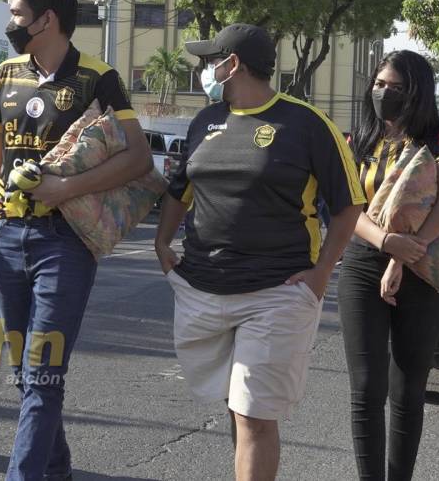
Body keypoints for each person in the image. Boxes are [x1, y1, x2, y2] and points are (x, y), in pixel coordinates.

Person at [0, 0, 153, 480]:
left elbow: (139, 158)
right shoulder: (6, 74)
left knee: (43, 375)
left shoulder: (97, 77)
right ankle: (57, 470)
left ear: (48, 20)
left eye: (17, 14)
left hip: (65, 242)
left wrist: (66, 189)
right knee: (25, 372)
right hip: (7, 236)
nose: (11, 24)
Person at [154, 24, 365, 481]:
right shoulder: (205, 120)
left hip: (276, 291)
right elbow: (180, 189)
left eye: (212, 61)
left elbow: (349, 206)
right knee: (237, 407)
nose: (206, 70)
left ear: (234, 65)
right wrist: (161, 242)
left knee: (254, 414)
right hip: (203, 288)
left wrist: (321, 273)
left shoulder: (307, 124)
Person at [339, 50, 439, 481]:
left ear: (416, 92)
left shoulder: (438, 139)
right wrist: (384, 241)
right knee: (366, 388)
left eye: (395, 87)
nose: (384, 93)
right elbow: (347, 206)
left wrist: (405, 252)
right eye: (379, 84)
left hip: (420, 265)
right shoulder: (361, 138)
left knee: (407, 390)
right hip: (362, 264)